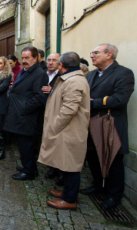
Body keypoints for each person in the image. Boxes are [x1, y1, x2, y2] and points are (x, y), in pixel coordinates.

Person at [80, 44, 135, 210]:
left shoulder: (124, 73)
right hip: (90, 123)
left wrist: (93, 103)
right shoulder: (90, 75)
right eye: (92, 52)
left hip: (109, 123)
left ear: (109, 54)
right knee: (92, 157)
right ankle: (98, 186)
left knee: (113, 161)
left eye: (96, 53)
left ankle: (114, 195)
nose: (92, 56)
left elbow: (120, 99)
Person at [39, 52, 91, 210]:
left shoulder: (74, 80)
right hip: (65, 130)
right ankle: (67, 192)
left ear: (61, 65)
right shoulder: (70, 78)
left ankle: (70, 199)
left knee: (70, 165)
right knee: (65, 163)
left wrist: (54, 126)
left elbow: (69, 109)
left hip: (69, 131)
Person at [4, 47, 48, 180]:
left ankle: (28, 172)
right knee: (23, 145)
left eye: (27, 58)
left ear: (36, 58)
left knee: (27, 145)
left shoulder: (39, 74)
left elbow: (39, 97)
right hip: (20, 115)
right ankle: (29, 167)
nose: (24, 60)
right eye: (23, 58)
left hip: (27, 117)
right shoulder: (26, 71)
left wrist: (23, 109)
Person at [41, 53, 63, 183]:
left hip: (56, 113)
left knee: (57, 143)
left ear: (60, 63)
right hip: (42, 110)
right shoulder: (43, 74)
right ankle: (51, 167)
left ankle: (60, 171)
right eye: (49, 60)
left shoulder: (62, 76)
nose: (50, 62)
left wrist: (52, 91)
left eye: (54, 60)